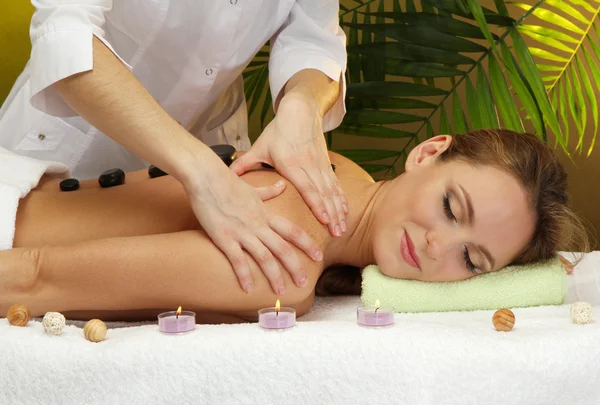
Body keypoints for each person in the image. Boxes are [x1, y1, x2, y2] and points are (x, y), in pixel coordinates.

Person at [0, 129, 589, 323]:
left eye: (472, 263)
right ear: (428, 153)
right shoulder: (287, 260)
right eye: (452, 208)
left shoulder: (334, 167)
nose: (439, 244)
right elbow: (32, 279)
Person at [0, 1, 348, 295]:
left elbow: (313, 40)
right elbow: (66, 36)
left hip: (208, 177)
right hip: (66, 152)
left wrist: (302, 106)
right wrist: (201, 172)